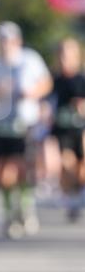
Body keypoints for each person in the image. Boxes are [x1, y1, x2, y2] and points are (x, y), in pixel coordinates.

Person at [0, 22, 53, 238]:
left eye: (9, 41)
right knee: (2, 171)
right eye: (1, 41)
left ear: (17, 41)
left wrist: (31, 93)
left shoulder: (30, 59)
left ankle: (26, 207)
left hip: (24, 122)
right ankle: (9, 211)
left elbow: (46, 83)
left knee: (22, 168)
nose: (5, 45)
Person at [50, 37, 85, 221]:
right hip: (63, 129)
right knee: (67, 163)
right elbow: (47, 102)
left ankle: (78, 192)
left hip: (81, 128)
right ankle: (72, 196)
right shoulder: (54, 80)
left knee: (81, 168)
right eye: (62, 54)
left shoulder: (81, 79)